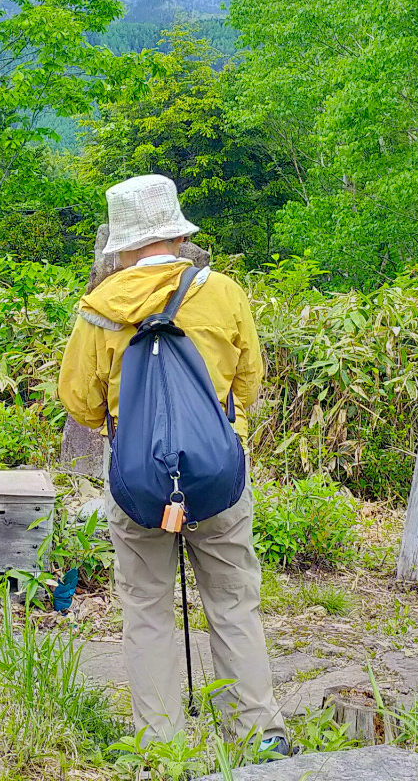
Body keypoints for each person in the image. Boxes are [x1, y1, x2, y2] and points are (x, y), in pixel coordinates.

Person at [58, 175, 288, 756]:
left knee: (147, 608)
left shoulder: (99, 310)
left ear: (125, 245)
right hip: (218, 472)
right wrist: (222, 428)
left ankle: (162, 746)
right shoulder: (224, 292)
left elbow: (80, 402)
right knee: (233, 601)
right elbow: (250, 381)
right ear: (177, 235)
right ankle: (259, 734)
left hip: (138, 483)